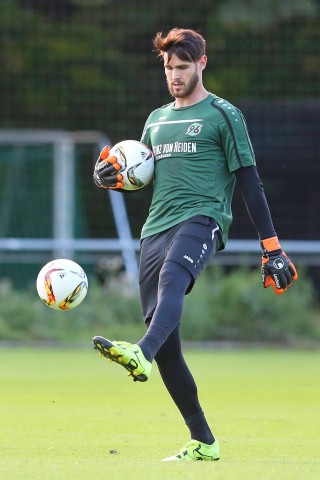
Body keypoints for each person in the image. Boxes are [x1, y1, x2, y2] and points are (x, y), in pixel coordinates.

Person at [92, 28, 298, 462]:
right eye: (169, 68)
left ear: (202, 63)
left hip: (203, 219)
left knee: (173, 280)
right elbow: (137, 170)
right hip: (155, 229)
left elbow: (249, 181)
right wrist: (110, 175)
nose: (174, 75)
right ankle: (203, 440)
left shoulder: (224, 115)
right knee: (170, 348)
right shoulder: (156, 119)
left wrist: (272, 247)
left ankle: (139, 351)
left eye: (182, 67)